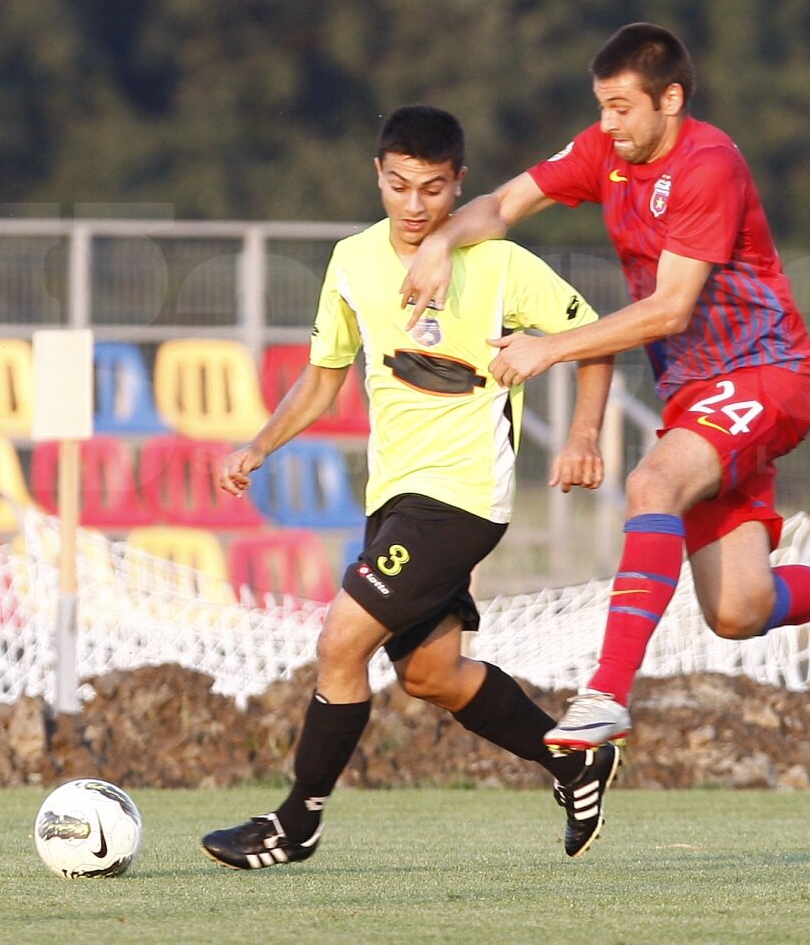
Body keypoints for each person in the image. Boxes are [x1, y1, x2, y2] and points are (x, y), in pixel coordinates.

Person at [399, 23, 810, 751]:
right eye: (602, 106)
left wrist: (549, 347)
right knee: (738, 609)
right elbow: (502, 204)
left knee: (652, 486)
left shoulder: (708, 164)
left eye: (621, 107)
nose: (607, 123)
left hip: (768, 375)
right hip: (700, 397)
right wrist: (439, 241)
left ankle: (606, 694)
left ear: (670, 98)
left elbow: (670, 308)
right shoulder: (605, 151)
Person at [201, 105, 619, 870]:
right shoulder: (353, 260)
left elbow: (593, 338)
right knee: (431, 675)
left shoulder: (499, 263)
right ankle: (571, 761)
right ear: (379, 178)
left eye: (433, 188)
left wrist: (586, 435)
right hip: (394, 498)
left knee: (339, 641)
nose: (416, 205)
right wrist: (258, 445)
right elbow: (325, 380)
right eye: (399, 186)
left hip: (462, 497)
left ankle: (295, 825)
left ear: (460, 183)